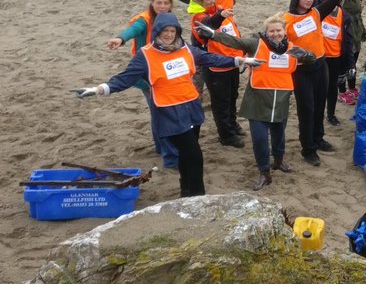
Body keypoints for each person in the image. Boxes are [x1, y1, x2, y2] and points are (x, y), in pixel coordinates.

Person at [73, 13, 261, 197]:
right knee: (195, 155)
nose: (169, 34)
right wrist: (100, 89)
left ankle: (186, 190)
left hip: (191, 107)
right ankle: (197, 195)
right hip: (169, 111)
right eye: (165, 31)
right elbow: (125, 78)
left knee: (187, 155)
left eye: (173, 30)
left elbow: (209, 58)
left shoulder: (185, 48)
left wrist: (240, 60)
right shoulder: (145, 55)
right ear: (157, 32)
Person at [197, 15, 317, 190]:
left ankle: (278, 161)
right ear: (266, 32)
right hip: (257, 100)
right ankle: (264, 172)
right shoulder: (256, 44)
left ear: (284, 31)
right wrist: (213, 34)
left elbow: (312, 58)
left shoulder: (292, 49)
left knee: (279, 136)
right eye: (272, 31)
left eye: (279, 30)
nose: (275, 34)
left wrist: (305, 54)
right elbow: (235, 42)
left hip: (280, 100)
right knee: (260, 139)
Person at [105, 0, 179, 169]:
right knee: (159, 112)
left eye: (166, 3)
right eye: (159, 3)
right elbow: (132, 30)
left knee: (161, 111)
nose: (162, 6)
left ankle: (162, 147)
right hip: (147, 76)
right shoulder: (144, 20)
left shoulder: (169, 20)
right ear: (152, 3)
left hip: (164, 72)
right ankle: (165, 151)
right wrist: (120, 39)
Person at [274, 0, 340, 165]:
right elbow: (279, 44)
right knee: (307, 109)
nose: (309, 0)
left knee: (320, 104)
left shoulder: (316, 13)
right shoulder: (285, 20)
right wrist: (296, 52)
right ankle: (308, 148)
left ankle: (318, 138)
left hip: (321, 65)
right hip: (302, 70)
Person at [187, 0, 247, 147]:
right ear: (200, 1)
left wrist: (242, 50)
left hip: (232, 60)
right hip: (215, 65)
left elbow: (234, 32)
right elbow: (209, 25)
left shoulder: (219, 9)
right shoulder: (198, 18)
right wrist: (220, 15)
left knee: (232, 96)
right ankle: (226, 135)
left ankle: (232, 124)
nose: (213, 1)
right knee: (221, 101)